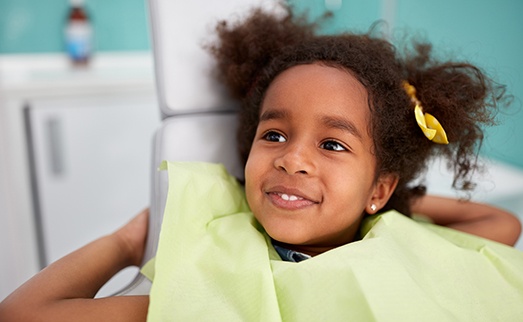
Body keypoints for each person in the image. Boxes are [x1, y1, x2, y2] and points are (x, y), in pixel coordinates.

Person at [1, 4, 521, 321]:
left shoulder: (400, 241)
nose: (292, 158)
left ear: (379, 189)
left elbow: (499, 222)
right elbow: (24, 315)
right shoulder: (219, 276)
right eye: (274, 134)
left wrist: (394, 204)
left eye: (333, 145)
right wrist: (126, 244)